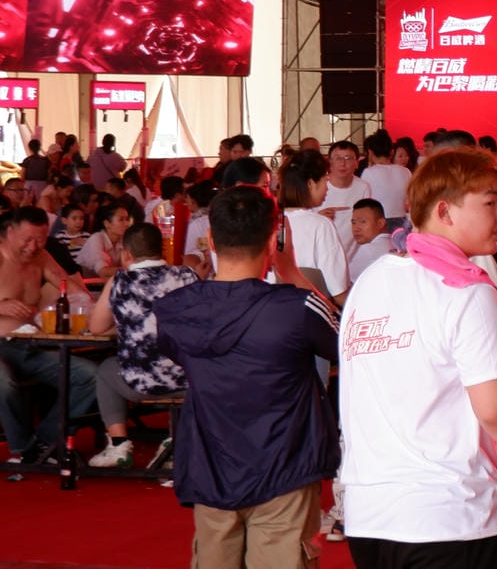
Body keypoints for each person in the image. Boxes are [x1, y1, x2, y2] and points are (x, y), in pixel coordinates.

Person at [339, 146, 497, 568]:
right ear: (445, 211)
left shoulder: (373, 279)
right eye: (490, 204)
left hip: (368, 515)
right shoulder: (466, 290)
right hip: (446, 518)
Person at [155, 186, 339, 566]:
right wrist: (290, 272)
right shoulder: (296, 306)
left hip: (211, 466)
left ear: (211, 242)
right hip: (284, 466)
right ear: (274, 240)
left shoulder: (176, 309)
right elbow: (345, 342)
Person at [85, 222, 199, 468]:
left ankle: (118, 444)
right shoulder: (187, 275)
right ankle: (177, 437)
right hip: (190, 379)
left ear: (126, 253)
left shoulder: (121, 281)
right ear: (163, 250)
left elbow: (95, 327)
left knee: (106, 369)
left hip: (142, 382)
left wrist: (128, 322)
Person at [0, 207, 99, 469]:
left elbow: (71, 286)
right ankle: (23, 449)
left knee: (89, 376)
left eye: (40, 240)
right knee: (3, 382)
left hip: (30, 345)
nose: (33, 247)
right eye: (27, 240)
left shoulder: (41, 257)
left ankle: (46, 440)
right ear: (10, 233)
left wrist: (91, 306)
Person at [277, 152, 349, 307]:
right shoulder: (320, 225)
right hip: (311, 313)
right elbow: (338, 291)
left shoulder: (269, 222)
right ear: (311, 184)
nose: (327, 188)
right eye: (325, 180)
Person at [318, 140, 371, 251]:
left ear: (357, 163)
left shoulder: (363, 187)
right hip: (323, 249)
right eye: (338, 158)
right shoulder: (317, 186)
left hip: (355, 253)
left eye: (348, 158)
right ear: (330, 162)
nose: (343, 164)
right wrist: (318, 218)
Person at [359, 131, 411, 233]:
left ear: (370, 152)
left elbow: (364, 199)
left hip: (379, 222)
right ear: (391, 152)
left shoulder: (369, 172)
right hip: (403, 221)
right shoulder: (405, 171)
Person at [78, 202, 132, 277]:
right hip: (87, 285)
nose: (127, 223)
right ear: (107, 224)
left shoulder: (122, 240)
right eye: (121, 220)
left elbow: (128, 263)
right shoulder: (96, 238)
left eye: (127, 219)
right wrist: (132, 269)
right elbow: (103, 272)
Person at [344, 200, 392, 285]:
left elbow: (342, 281)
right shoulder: (395, 243)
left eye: (363, 222)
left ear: (380, 223)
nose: (356, 228)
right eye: (353, 223)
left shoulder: (368, 249)